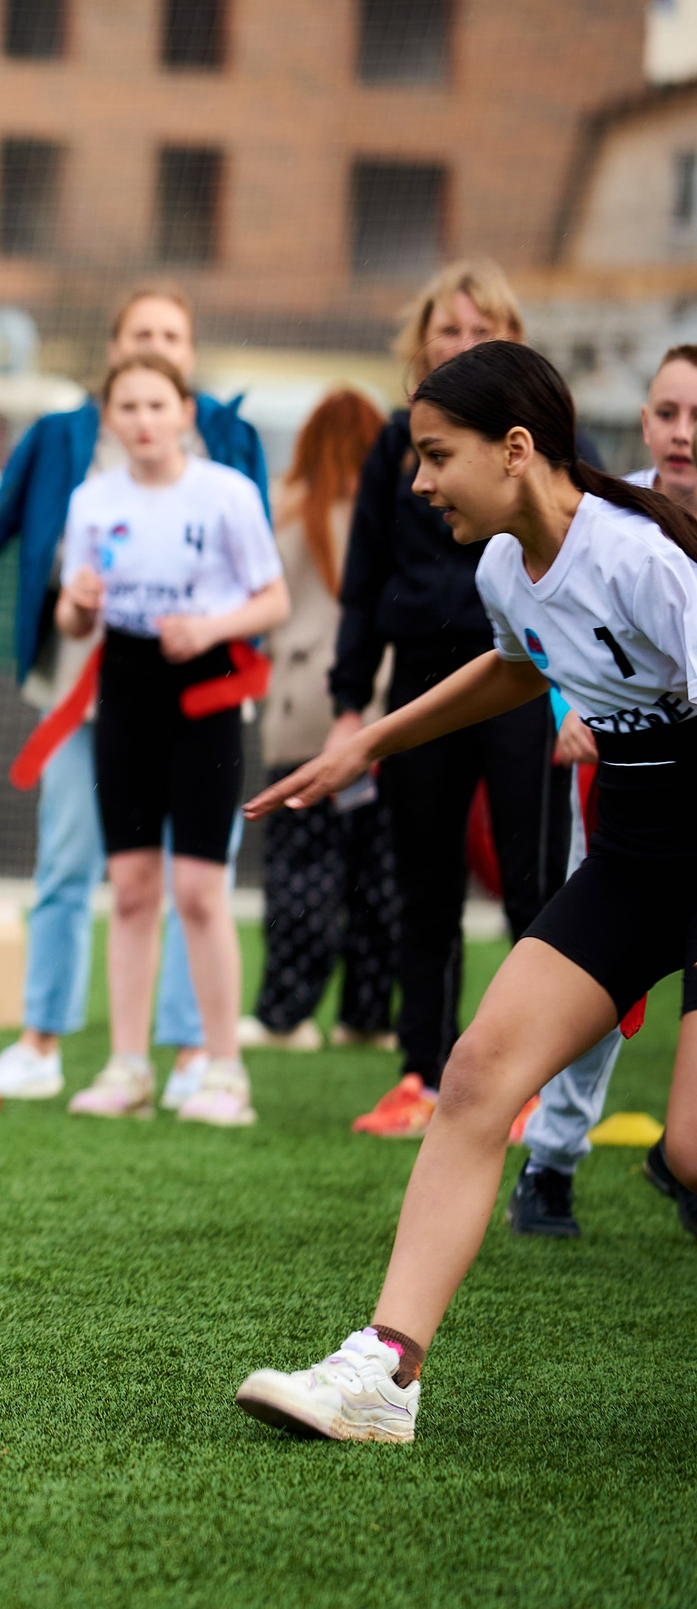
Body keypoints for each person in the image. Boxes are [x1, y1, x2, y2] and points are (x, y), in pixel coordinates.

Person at [238, 341, 697, 1444]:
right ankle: (381, 1376)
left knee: (688, 1151)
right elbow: (517, 660)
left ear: (517, 448)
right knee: (478, 1069)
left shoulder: (644, 560)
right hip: (634, 851)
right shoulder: (504, 564)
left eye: (435, 453)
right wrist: (366, 746)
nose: (417, 478)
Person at [0, 283, 267, 1107]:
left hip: (203, 688)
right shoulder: (65, 444)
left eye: (173, 334)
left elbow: (259, 566)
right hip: (87, 685)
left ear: (189, 363)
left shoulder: (229, 448)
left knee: (194, 884)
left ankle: (189, 1056)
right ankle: (43, 1039)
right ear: (113, 354)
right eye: (141, 332)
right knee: (73, 860)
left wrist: (224, 642)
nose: (158, 345)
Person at [326, 260, 582, 1139]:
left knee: (532, 885)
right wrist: (349, 704)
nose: (462, 340)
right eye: (448, 327)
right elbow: (360, 586)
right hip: (420, 689)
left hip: (525, 686)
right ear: (421, 340)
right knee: (423, 887)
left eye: (482, 327)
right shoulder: (396, 447)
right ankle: (420, 1073)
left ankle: (534, 1086)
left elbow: (579, 585)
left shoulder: (543, 458)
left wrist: (576, 698)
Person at [52, 354, 288, 1126]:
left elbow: (273, 598)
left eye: (158, 404)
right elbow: (71, 616)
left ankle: (224, 1071)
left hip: (205, 692)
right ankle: (128, 1067)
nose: (144, 420)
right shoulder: (92, 500)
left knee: (198, 890)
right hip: (124, 688)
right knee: (129, 891)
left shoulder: (227, 494)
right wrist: (77, 603)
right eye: (128, 406)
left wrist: (210, 628)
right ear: (110, 417)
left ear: (186, 410)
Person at [506, 344, 697, 1236]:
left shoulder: (646, 552)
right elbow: (546, 646)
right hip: (623, 804)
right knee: (593, 984)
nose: (681, 433)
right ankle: (551, 1159)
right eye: (666, 412)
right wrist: (566, 711)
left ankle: (684, 1152)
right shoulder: (600, 519)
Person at [245, 389, 399, 1053]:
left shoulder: (288, 512)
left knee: (301, 874)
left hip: (300, 712)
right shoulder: (397, 512)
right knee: (377, 879)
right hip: (385, 713)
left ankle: (286, 1014)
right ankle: (366, 1015)